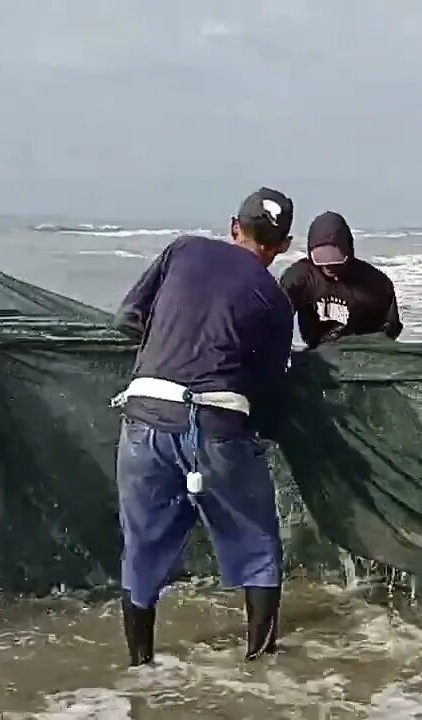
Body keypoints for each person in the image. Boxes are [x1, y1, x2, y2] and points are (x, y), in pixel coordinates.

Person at [109, 187, 295, 666]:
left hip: (144, 415)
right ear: (283, 245)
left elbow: (129, 320)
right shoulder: (276, 302)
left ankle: (141, 668)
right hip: (215, 424)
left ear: (235, 226)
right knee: (255, 541)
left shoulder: (185, 249)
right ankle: (260, 666)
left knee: (142, 547)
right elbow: (268, 385)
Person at [279, 211, 403, 348]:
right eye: (322, 260)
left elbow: (391, 328)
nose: (329, 266)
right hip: (317, 351)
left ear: (349, 250)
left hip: (363, 350)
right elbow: (276, 320)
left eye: (335, 260)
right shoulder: (298, 278)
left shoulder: (376, 283)